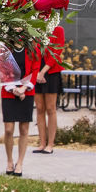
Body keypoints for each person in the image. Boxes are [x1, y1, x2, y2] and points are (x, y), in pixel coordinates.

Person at [1, 44, 44, 176]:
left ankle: (19, 163)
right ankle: (9, 161)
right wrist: (14, 89)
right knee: (8, 129)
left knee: (24, 129)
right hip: (9, 91)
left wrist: (23, 89)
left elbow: (35, 69)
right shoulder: (5, 47)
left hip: (27, 92)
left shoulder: (33, 47)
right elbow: (2, 69)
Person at [34, 21, 65, 154]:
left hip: (51, 73)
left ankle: (50, 144)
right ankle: (42, 143)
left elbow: (56, 52)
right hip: (36, 72)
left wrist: (43, 71)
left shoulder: (58, 29)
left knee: (51, 108)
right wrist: (36, 72)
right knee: (40, 108)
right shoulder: (34, 29)